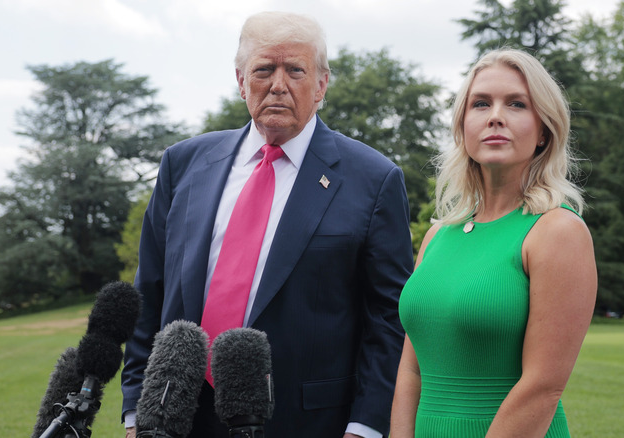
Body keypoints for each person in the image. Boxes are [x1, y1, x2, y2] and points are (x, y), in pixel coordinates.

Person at [121, 11, 414, 438]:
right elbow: (147, 294)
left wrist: (366, 426)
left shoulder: (373, 178)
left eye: (295, 70)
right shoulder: (182, 164)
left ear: (321, 84)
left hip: (310, 423)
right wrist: (135, 414)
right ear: (241, 81)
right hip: (177, 422)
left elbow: (389, 317)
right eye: (264, 69)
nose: (278, 84)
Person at [390, 48, 597, 437]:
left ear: (543, 132)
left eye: (517, 104)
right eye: (481, 103)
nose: (495, 116)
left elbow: (542, 388)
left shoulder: (558, 231)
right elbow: (411, 368)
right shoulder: (437, 236)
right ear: (463, 125)